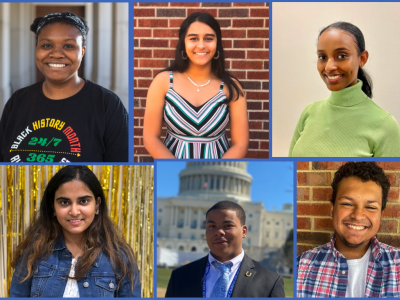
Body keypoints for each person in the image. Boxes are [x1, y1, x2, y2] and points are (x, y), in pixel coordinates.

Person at [0, 12, 128, 163]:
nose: (56, 54)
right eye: (47, 45)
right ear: (37, 49)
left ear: (82, 52)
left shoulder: (108, 105)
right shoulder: (17, 101)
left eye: (68, 46)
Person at [9, 166, 141, 297]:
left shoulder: (120, 259)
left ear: (97, 205)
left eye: (83, 201)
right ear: (53, 207)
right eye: (65, 202)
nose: (74, 212)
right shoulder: (33, 254)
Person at [143, 12, 249, 159]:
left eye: (209, 39)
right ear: (183, 43)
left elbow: (241, 144)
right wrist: (176, 170)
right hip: (173, 171)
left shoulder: (231, 87)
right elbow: (150, 138)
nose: (201, 45)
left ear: (217, 43)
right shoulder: (163, 82)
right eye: (193, 38)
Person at [289, 22, 400, 157]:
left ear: (362, 59)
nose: (329, 67)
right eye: (322, 57)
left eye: (341, 56)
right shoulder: (309, 113)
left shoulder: (384, 125)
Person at [297, 162, 400, 297]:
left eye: (370, 207)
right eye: (347, 204)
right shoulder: (302, 266)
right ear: (332, 209)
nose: (358, 216)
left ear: (381, 214)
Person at [165, 201, 284, 297]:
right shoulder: (180, 277)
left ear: (244, 231)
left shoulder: (270, 282)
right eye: (212, 226)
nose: (219, 232)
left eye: (228, 226)